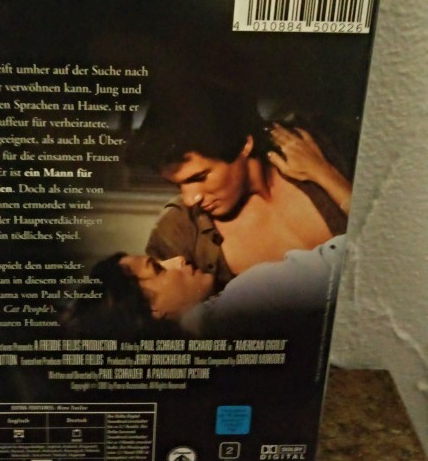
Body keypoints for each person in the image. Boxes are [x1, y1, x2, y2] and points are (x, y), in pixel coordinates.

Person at [127, 83, 352, 292]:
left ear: (245, 144)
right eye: (178, 185)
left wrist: (325, 175)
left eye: (201, 177)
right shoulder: (179, 230)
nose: (190, 199)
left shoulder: (322, 148)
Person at [62, 236, 345, 340]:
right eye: (158, 268)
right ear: (151, 310)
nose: (178, 259)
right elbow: (353, 259)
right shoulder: (244, 299)